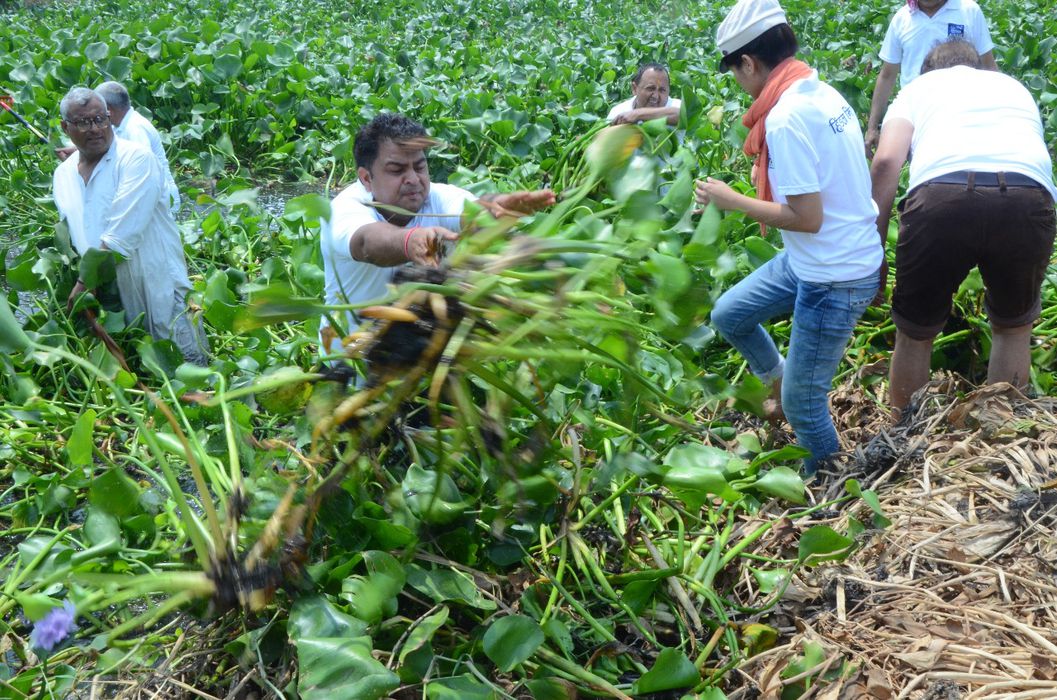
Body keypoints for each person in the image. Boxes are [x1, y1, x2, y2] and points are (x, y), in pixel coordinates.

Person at [695, 0, 883, 474]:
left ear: (750, 63)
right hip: (816, 258)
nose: (738, 84)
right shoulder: (819, 91)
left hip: (834, 274)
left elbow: (806, 217)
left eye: (736, 73)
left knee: (805, 406)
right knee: (729, 315)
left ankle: (830, 483)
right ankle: (778, 379)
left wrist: (731, 200)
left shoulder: (785, 118)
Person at [870, 39, 1056, 421]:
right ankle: (998, 438)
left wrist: (874, 252)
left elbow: (886, 163)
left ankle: (905, 437)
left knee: (916, 332)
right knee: (1012, 327)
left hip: (943, 198)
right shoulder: (1011, 86)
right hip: (1026, 196)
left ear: (929, 70)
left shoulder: (919, 88)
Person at [320, 113, 554, 355]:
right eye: (397, 170)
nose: (413, 179)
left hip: (419, 358)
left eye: (419, 166)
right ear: (367, 178)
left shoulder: (440, 197)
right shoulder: (342, 209)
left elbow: (473, 213)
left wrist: (500, 207)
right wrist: (411, 241)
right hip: (349, 363)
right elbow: (367, 242)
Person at [54, 87, 208, 365]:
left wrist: (85, 281)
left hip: (151, 273)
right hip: (105, 285)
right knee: (137, 364)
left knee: (181, 356)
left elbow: (122, 232)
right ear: (66, 127)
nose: (95, 129)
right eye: (83, 123)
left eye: (100, 119)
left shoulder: (136, 159)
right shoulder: (63, 174)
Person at [864, 0, 997, 156]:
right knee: (917, 164)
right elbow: (887, 75)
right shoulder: (902, 18)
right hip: (917, 114)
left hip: (962, 110)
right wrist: (872, 128)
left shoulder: (969, 11)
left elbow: (989, 67)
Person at [57, 81, 181, 213]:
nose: (94, 128)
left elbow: (139, 169)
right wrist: (80, 154)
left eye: (98, 116)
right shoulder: (122, 125)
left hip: (160, 201)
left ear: (108, 110)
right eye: (84, 122)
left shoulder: (135, 129)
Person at [608, 62, 682, 127]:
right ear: (634, 88)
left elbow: (682, 115)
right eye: (650, 88)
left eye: (662, 90)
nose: (655, 96)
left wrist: (638, 114)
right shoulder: (618, 112)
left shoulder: (676, 106)